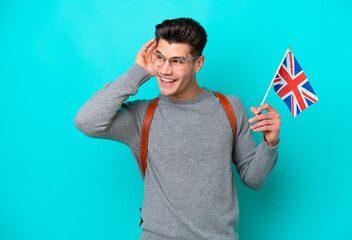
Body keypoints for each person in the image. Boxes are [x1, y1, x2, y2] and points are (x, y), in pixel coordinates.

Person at [74, 17, 281, 240]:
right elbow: (87, 122)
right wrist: (138, 71)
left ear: (198, 63)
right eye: (160, 58)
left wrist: (270, 143)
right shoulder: (143, 116)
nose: (164, 70)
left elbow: (254, 179)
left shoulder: (229, 107)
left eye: (177, 62)